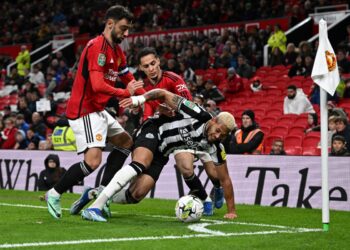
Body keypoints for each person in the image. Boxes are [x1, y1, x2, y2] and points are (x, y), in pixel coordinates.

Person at [45, 5, 144, 219]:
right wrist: (125, 93)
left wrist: (146, 98)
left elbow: (128, 77)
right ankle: (54, 193)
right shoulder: (96, 47)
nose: (127, 34)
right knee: (92, 161)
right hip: (84, 110)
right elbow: (98, 85)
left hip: (98, 110)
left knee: (126, 143)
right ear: (110, 24)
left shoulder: (117, 50)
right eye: (123, 28)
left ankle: (100, 194)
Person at [81, 89, 236, 222]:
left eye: (221, 135)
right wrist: (139, 99)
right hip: (154, 129)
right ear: (214, 120)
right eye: (217, 131)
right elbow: (162, 93)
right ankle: (95, 208)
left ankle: (96, 193)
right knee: (140, 163)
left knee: (136, 195)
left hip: (162, 152)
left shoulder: (214, 147)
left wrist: (231, 211)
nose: (217, 136)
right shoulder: (197, 112)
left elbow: (225, 179)